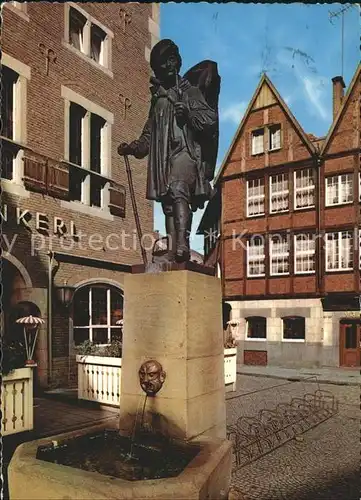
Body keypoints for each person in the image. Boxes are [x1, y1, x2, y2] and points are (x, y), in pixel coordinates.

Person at [118, 39, 219, 263]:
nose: (158, 71)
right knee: (167, 205)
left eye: (161, 66)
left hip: (185, 153)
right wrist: (134, 147)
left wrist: (189, 115)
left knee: (178, 190)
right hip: (163, 159)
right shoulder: (158, 100)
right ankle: (173, 250)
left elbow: (209, 121)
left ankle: (182, 242)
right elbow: (148, 134)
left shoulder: (189, 92)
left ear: (172, 63)